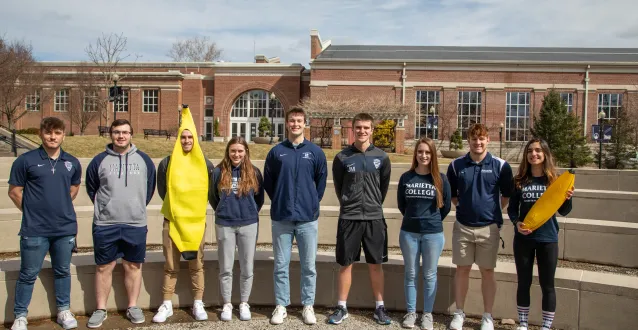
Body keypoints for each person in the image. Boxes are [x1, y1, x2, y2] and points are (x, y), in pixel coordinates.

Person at [8, 117, 82, 330]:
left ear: (63, 135)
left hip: (64, 228)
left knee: (62, 271)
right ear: (41, 133)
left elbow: (74, 188)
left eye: (57, 133)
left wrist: (59, 208)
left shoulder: (72, 162)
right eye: (49, 132)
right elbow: (14, 192)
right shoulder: (26, 161)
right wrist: (33, 211)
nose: (52, 137)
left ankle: (63, 310)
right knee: (28, 273)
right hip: (35, 229)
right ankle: (20, 316)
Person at [85, 119, 156, 328]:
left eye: (125, 132)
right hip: (106, 224)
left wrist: (135, 206)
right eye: (117, 132)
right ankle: (100, 309)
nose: (121, 136)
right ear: (111, 135)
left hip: (135, 223)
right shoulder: (99, 161)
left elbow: (149, 188)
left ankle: (133, 306)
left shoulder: (144, 160)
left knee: (133, 266)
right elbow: (92, 189)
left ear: (132, 134)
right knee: (103, 267)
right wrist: (106, 206)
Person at [263, 107, 328, 325]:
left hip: (307, 219)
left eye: (299, 120)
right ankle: (281, 305)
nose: (295, 124)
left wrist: (310, 202)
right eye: (292, 121)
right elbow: (269, 182)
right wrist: (282, 199)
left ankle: (307, 305)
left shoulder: (315, 152)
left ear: (304, 123)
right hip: (282, 218)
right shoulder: (276, 152)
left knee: (309, 266)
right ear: (287, 123)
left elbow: (320, 182)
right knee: (281, 265)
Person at [446, 123, 513, 330]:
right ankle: (459, 313)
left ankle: (487, 316)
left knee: (487, 272)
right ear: (469, 141)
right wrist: (466, 208)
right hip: (463, 227)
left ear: (488, 140)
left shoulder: (501, 165)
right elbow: (453, 196)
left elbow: (506, 196)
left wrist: (489, 212)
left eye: (482, 138)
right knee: (462, 270)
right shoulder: (456, 165)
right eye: (474, 139)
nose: (478, 142)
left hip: (489, 228)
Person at [328, 113, 392, 326]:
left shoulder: (382, 157)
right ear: (352, 129)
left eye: (366, 127)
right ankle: (341, 307)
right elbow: (339, 187)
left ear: (372, 130)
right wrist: (351, 204)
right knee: (346, 264)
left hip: (374, 218)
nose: (362, 131)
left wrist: (371, 204)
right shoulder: (342, 158)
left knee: (376, 264)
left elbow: (382, 189)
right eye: (358, 127)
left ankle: (380, 308)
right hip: (350, 217)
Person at [507, 139, 573, 330]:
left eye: (537, 150)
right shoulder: (519, 180)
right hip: (524, 239)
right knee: (524, 282)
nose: (533, 154)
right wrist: (516, 223)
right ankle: (523, 324)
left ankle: (546, 325)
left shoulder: (554, 180)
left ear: (545, 154)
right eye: (530, 151)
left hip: (548, 238)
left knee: (548, 284)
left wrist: (568, 198)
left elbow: (564, 211)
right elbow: (512, 210)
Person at [152, 126, 214, 323]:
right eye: (183, 137)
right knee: (171, 264)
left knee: (196, 264)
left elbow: (208, 191)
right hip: (172, 220)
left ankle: (198, 302)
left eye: (190, 137)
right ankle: (167, 303)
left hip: (195, 222)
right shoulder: (167, 163)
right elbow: (163, 192)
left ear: (195, 139)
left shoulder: (206, 163)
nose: (186, 141)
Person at [397, 138, 451, 329]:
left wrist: (429, 222)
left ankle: (427, 314)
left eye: (428, 152)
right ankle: (411, 313)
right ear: (416, 154)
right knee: (410, 273)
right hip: (409, 233)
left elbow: (445, 206)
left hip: (433, 234)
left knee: (430, 274)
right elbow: (401, 205)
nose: (424, 155)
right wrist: (415, 220)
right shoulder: (406, 177)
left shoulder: (441, 179)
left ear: (433, 155)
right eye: (420, 151)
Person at [211, 136, 264, 322]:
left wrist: (247, 212)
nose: (236, 154)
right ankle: (227, 303)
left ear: (246, 152)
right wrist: (224, 209)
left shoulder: (254, 172)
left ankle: (243, 303)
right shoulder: (218, 172)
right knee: (226, 268)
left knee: (247, 267)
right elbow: (213, 197)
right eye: (233, 150)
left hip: (248, 223)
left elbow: (259, 199)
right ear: (228, 151)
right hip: (225, 223)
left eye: (240, 151)